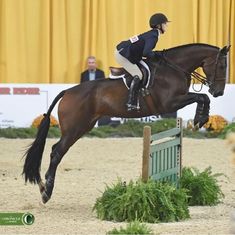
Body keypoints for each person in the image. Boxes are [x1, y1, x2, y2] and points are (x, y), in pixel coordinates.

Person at [114, 13, 170, 111]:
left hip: (130, 53)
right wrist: (157, 55)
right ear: (158, 25)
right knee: (138, 75)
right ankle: (131, 102)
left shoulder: (152, 34)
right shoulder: (153, 36)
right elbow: (146, 52)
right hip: (122, 53)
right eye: (165, 23)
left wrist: (156, 54)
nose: (167, 25)